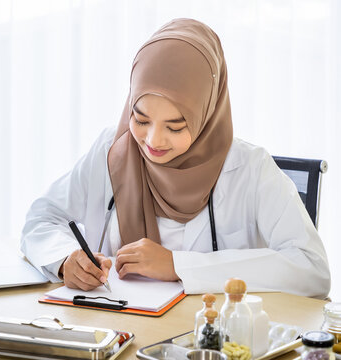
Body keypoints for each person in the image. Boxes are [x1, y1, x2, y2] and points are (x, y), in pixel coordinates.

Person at [20, 18, 331, 299]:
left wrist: (180, 266)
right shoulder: (112, 151)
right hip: (115, 334)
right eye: (140, 120)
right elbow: (41, 219)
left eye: (175, 126)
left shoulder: (251, 170)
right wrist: (65, 259)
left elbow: (312, 269)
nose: (153, 141)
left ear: (206, 114)